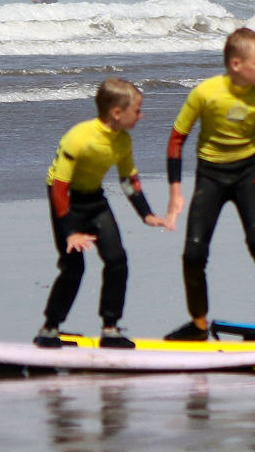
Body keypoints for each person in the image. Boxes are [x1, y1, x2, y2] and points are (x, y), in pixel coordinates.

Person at [162, 28, 255, 343]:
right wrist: (175, 192)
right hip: (211, 175)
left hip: (247, 173)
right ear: (236, 64)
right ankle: (199, 324)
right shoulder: (205, 93)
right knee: (193, 253)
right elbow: (176, 140)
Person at [36, 78, 169, 348]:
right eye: (138, 110)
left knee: (117, 259)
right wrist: (71, 231)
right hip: (67, 200)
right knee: (74, 267)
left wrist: (146, 214)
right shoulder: (79, 138)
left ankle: (110, 329)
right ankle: (49, 328)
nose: (141, 116)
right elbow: (60, 189)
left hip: (94, 199)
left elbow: (128, 179)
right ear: (117, 113)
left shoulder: (123, 141)